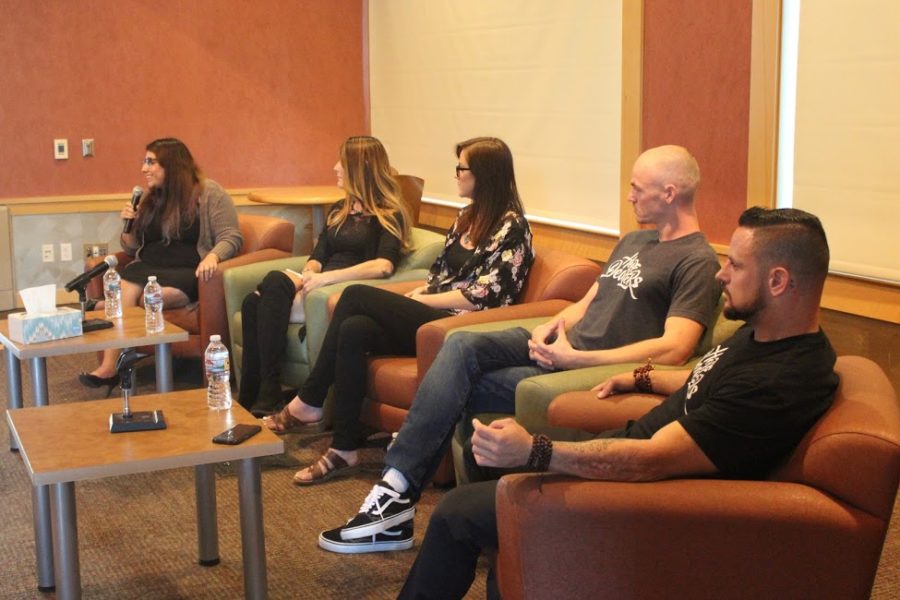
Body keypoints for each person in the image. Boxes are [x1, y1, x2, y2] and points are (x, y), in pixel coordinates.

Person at [398, 207, 839, 599]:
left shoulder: (777, 382)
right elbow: (704, 380)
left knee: (457, 513)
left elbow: (649, 462)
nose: (722, 274)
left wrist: (535, 449)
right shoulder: (762, 337)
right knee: (488, 470)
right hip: (634, 470)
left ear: (778, 281)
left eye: (736, 266)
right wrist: (641, 376)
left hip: (648, 503)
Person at [318, 145, 722, 554]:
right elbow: (589, 301)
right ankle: (402, 495)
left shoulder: (696, 260)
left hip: (582, 368)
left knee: (460, 390)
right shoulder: (635, 240)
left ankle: (402, 501)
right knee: (460, 346)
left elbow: (675, 348)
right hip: (562, 347)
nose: (630, 196)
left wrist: (576, 359)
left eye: (638, 189)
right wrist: (553, 325)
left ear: (670, 193)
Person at [263, 137, 535, 491]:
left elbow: (486, 295)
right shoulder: (467, 217)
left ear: (484, 174)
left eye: (461, 168)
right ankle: (344, 446)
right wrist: (424, 290)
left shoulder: (513, 228)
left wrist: (425, 301)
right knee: (355, 328)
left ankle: (310, 399)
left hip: (458, 325)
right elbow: (440, 272)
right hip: (434, 310)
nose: (455, 175)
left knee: (357, 295)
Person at [239, 136, 410, 417]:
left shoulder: (388, 215)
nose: (335, 168)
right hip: (318, 284)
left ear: (360, 167)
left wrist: (325, 280)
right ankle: (259, 395)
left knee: (255, 302)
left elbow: (383, 266)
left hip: (341, 290)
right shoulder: (339, 210)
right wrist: (310, 273)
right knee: (257, 297)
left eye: (341, 162)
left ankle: (264, 391)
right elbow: (319, 255)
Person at [78, 138, 242, 393]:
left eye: (150, 162)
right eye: (144, 162)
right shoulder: (149, 198)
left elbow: (231, 236)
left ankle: (102, 305)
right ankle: (110, 367)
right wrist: (129, 225)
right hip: (146, 267)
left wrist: (214, 256)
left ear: (172, 165)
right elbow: (132, 249)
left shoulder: (209, 193)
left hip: (188, 271)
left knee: (150, 299)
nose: (144, 169)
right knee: (133, 294)